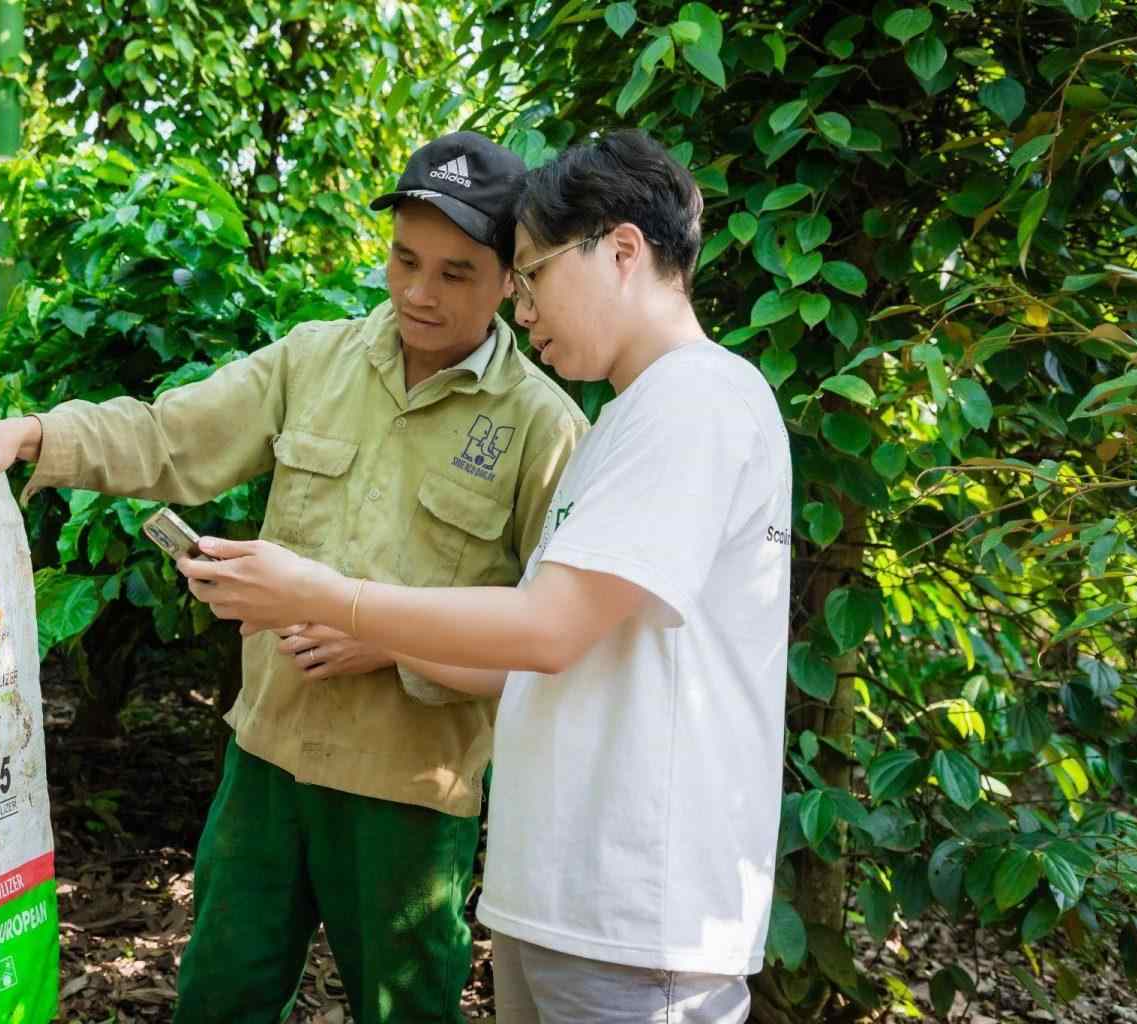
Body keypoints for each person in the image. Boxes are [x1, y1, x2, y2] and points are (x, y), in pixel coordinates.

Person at [0, 130, 588, 1023]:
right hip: (267, 758)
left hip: (407, 792)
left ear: (512, 277)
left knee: (409, 1010)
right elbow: (169, 437)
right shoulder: (313, 360)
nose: (416, 293)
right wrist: (36, 435)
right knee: (220, 994)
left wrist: (389, 639)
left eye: (455, 273)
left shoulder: (542, 428)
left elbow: (545, 636)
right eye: (404, 260)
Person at [176, 129, 792, 1024]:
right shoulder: (630, 420)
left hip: (635, 920)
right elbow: (546, 656)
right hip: (568, 910)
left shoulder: (694, 403)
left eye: (531, 273)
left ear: (622, 251)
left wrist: (323, 595)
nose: (525, 303)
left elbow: (544, 628)